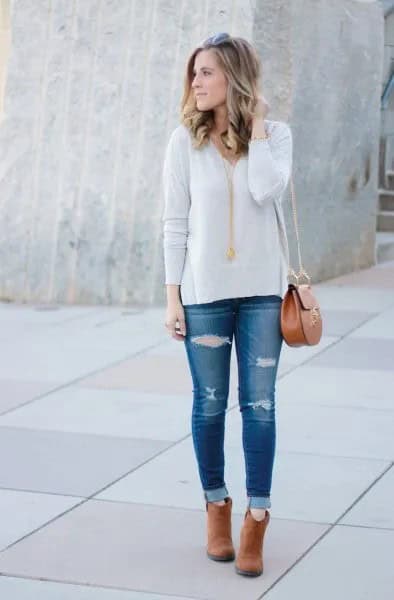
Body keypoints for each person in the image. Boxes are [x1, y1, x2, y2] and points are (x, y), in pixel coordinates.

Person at [161, 32, 293, 577]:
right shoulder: (182, 143)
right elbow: (174, 224)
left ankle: (256, 517)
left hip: (263, 292)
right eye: (194, 73)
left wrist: (257, 127)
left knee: (259, 406)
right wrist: (172, 296)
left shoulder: (277, 136)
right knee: (210, 403)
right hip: (205, 295)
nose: (196, 82)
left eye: (208, 72)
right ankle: (217, 506)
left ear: (234, 77)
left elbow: (266, 191)